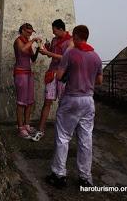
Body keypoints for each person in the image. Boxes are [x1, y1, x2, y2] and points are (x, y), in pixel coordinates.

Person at [46, 25, 103, 188]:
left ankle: (59, 175)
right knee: (86, 139)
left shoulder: (70, 54)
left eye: (73, 37)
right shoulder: (96, 56)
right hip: (88, 100)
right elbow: (99, 81)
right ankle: (85, 177)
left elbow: (59, 75)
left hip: (71, 98)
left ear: (77, 37)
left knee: (63, 137)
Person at [32, 19, 73, 141]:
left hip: (63, 75)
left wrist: (49, 52)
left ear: (61, 29)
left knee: (63, 104)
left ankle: (63, 132)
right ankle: (41, 130)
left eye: (55, 31)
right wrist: (44, 50)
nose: (54, 33)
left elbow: (66, 59)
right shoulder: (55, 40)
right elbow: (51, 55)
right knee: (47, 103)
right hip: (51, 74)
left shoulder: (70, 41)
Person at [13, 22, 41, 139]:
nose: (30, 34)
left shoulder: (28, 42)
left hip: (28, 73)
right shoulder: (18, 40)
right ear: (23, 31)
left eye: (31, 32)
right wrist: (33, 40)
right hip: (20, 73)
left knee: (29, 101)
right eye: (28, 32)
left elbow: (33, 59)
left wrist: (38, 48)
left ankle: (27, 125)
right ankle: (20, 128)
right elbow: (23, 50)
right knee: (21, 102)